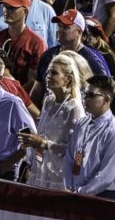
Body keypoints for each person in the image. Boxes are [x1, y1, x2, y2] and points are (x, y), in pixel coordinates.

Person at [21, 53, 86, 191]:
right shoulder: (49, 101)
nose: (48, 76)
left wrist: (42, 143)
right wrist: (32, 142)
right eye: (48, 72)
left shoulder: (74, 109)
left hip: (60, 177)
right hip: (41, 170)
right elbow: (42, 133)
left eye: (54, 73)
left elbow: (74, 151)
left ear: (67, 78)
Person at [65, 75, 115, 197]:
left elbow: (108, 174)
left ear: (107, 100)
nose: (85, 98)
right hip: (76, 191)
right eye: (85, 94)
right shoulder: (81, 123)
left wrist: (83, 192)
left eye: (91, 95)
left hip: (102, 194)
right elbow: (70, 157)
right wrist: (70, 186)